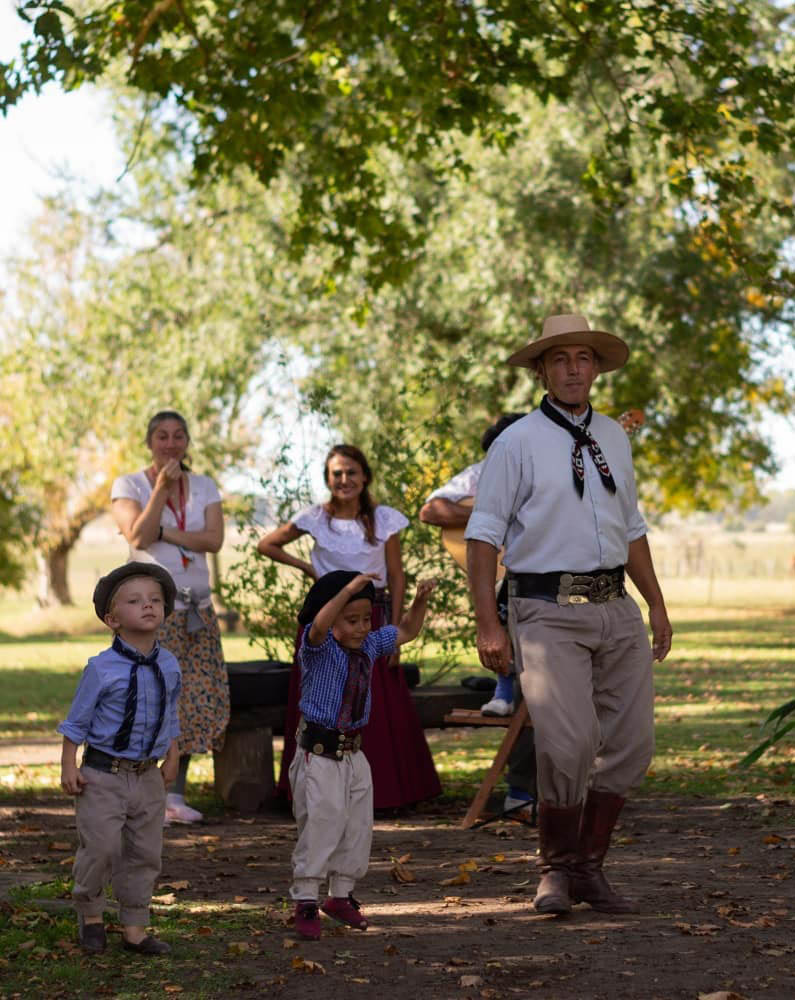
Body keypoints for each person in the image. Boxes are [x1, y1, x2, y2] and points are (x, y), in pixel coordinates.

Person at [465, 313, 672, 916]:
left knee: (633, 744)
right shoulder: (518, 442)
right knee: (570, 741)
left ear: (596, 368)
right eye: (560, 359)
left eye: (583, 358)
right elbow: (483, 536)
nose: (573, 368)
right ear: (541, 370)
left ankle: (588, 870)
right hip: (545, 608)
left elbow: (631, 527)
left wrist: (655, 602)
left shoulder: (614, 435)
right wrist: (488, 621)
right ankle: (554, 868)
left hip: (616, 606)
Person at [257, 443, 441, 810]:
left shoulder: (383, 518)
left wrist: (394, 622)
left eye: (351, 472)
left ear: (365, 476)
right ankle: (312, 788)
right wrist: (309, 569)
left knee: (373, 704)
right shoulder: (315, 517)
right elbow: (267, 544)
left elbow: (396, 574)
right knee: (322, 698)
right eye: (336, 474)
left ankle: (387, 793)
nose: (344, 480)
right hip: (326, 623)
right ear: (327, 479)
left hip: (369, 619)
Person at [289, 570, 437, 939]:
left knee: (357, 827)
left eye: (366, 619)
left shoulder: (369, 645)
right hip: (319, 754)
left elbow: (406, 632)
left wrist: (419, 601)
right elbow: (321, 625)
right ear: (332, 614)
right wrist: (348, 590)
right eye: (351, 620)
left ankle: (340, 896)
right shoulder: (317, 648)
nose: (360, 628)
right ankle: (306, 898)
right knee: (322, 824)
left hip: (354, 753)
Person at [111, 410, 230, 824]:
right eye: (162, 436)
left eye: (179, 436)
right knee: (147, 697)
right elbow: (138, 535)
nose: (171, 444)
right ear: (149, 441)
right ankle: (141, 795)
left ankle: (174, 796)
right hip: (149, 611)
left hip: (195, 608)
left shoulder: (204, 485)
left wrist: (166, 532)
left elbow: (213, 540)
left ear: (187, 442)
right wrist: (161, 488)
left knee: (194, 699)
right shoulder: (129, 485)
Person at [58, 562, 181, 956]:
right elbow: (77, 721)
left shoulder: (170, 664)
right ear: (112, 619)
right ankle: (91, 914)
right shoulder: (100, 668)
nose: (148, 606)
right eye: (135, 601)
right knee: (102, 847)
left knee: (145, 852)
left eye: (155, 600)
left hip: (147, 775)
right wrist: (68, 764)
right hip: (102, 774)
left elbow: (171, 714)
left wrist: (173, 757)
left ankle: (134, 927)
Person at [420, 414, 538, 819]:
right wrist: (488, 508)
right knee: (525, 684)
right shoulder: (481, 474)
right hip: (510, 585)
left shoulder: (553, 468)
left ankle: (565, 792)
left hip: (550, 587)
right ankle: (522, 792)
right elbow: (432, 510)